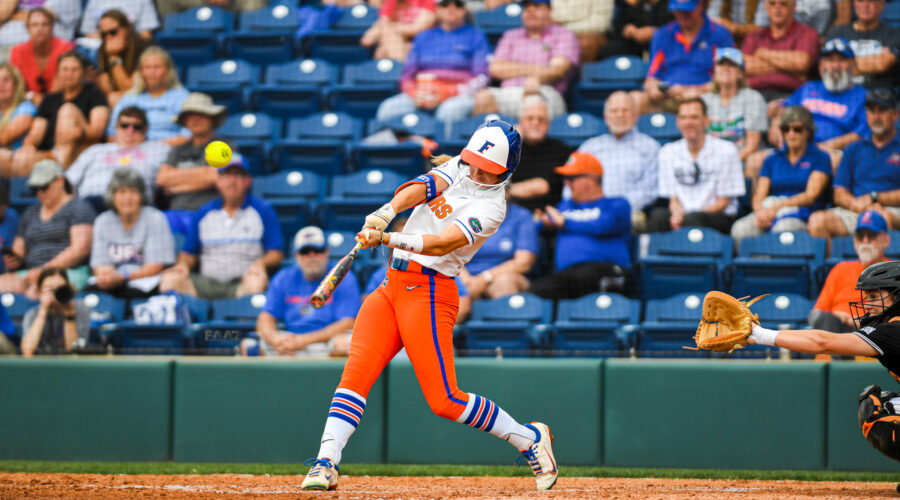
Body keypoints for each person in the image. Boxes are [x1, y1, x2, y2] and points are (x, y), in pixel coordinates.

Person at [299, 120, 558, 492]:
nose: (478, 172)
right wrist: (386, 211)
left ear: (506, 171)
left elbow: (440, 243)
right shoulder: (460, 166)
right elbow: (421, 187)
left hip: (430, 293)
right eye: (474, 163)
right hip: (391, 286)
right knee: (355, 375)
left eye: (489, 170)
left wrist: (387, 236)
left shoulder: (493, 206)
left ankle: (528, 438)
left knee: (445, 400)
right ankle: (326, 462)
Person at [743, 260, 900, 477]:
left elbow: (823, 342)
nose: (868, 304)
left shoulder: (893, 330)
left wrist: (761, 335)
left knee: (876, 410)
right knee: (886, 404)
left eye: (875, 297)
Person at [158, 155, 284, 299]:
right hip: (205, 283)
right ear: (218, 181)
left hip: (243, 281)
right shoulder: (204, 212)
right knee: (171, 279)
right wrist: (183, 265)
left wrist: (261, 263)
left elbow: (276, 253)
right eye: (226, 175)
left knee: (256, 282)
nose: (232, 181)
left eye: (238, 175)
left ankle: (245, 319)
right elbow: (188, 252)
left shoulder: (263, 210)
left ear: (248, 181)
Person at [529, 152, 631, 300]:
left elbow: (604, 225)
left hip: (607, 270)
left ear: (593, 178)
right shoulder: (566, 205)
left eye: (572, 178)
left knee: (583, 279)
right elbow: (542, 224)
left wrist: (565, 223)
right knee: (535, 293)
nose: (566, 183)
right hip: (567, 277)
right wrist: (547, 224)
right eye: (565, 178)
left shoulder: (617, 204)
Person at [808, 88, 900, 245]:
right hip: (856, 209)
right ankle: (830, 269)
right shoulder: (853, 148)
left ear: (895, 115)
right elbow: (839, 192)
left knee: (881, 219)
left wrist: (875, 198)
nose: (876, 116)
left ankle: (886, 269)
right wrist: (855, 204)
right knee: (818, 221)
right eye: (872, 111)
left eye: (882, 110)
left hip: (891, 210)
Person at [375, 0, 490, 125]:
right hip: (422, 92)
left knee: (449, 112)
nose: (451, 8)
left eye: (457, 4)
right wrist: (414, 93)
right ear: (438, 9)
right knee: (388, 109)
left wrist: (451, 92)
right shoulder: (423, 36)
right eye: (445, 4)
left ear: (464, 9)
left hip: (458, 94)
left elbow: (482, 76)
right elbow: (407, 75)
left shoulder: (476, 35)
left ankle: (442, 145)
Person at [251, 226, 361, 357]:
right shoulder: (284, 277)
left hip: (327, 342)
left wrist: (304, 340)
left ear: (327, 251)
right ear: (296, 255)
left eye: (317, 250)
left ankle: (338, 378)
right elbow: (265, 318)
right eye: (305, 252)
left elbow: (348, 323)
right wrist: (276, 339)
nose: (311, 256)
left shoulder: (343, 276)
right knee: (252, 344)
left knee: (344, 343)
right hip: (290, 340)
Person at [730, 106, 831, 242]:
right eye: (786, 129)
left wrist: (779, 206)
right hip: (770, 209)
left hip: (802, 213)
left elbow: (811, 195)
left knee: (782, 229)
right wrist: (760, 213)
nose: (791, 134)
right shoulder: (772, 158)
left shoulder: (820, 157)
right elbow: (759, 195)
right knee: (740, 229)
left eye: (797, 129)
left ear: (808, 131)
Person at [648, 97, 745, 233]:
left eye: (694, 117)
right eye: (683, 118)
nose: (688, 123)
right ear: (677, 122)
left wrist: (688, 216)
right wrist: (677, 214)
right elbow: (673, 198)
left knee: (693, 219)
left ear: (706, 121)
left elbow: (723, 202)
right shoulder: (668, 152)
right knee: (658, 216)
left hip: (717, 217)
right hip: (685, 214)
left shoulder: (726, 150)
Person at [0, 160, 95, 297]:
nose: (40, 193)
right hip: (30, 273)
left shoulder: (78, 207)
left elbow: (80, 249)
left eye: (44, 187)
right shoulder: (30, 213)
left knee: (43, 289)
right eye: (35, 189)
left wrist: (45, 270)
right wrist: (15, 260)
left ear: (60, 181)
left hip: (68, 272)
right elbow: (19, 249)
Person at [471, 0, 580, 120]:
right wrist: (538, 70)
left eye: (537, 6)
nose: (531, 11)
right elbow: (495, 69)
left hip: (545, 92)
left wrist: (536, 77)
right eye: (527, 7)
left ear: (549, 10)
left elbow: (557, 70)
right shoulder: (511, 35)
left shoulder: (564, 34)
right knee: (483, 97)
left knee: (532, 101)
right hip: (509, 93)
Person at [768, 38, 868, 159]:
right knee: (755, 162)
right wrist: (776, 123)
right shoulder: (809, 88)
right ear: (821, 65)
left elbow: (858, 134)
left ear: (853, 65)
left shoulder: (862, 95)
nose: (835, 65)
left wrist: (821, 148)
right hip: (794, 148)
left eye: (842, 60)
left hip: (832, 153)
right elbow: (783, 106)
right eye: (830, 60)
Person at [11, 50, 109, 175]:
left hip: (82, 154)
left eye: (75, 69)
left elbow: (98, 131)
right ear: (58, 72)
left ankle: (58, 170)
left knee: (67, 109)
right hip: (49, 155)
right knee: (10, 158)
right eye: (65, 69)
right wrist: (28, 146)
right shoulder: (50, 99)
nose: (69, 74)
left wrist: (79, 132)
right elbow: (36, 132)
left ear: (84, 72)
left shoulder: (95, 95)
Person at [632, 0, 734, 114]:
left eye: (687, 10)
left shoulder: (720, 34)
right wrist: (664, 89)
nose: (682, 15)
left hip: (707, 99)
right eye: (678, 10)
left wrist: (699, 90)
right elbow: (651, 79)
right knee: (635, 99)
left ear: (701, 5)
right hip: (669, 98)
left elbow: (729, 76)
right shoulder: (662, 34)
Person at [577, 91, 660, 232]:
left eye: (625, 110)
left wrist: (616, 209)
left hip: (629, 213)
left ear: (635, 115)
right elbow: (572, 183)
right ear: (605, 116)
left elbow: (649, 190)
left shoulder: (650, 147)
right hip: (590, 210)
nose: (620, 115)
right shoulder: (589, 147)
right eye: (614, 111)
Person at [87, 168, 175, 298]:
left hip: (146, 281)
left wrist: (123, 277)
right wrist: (106, 276)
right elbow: (99, 263)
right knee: (90, 293)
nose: (127, 198)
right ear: (113, 196)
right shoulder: (103, 221)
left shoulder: (155, 218)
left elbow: (156, 265)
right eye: (122, 192)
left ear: (142, 196)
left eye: (133, 192)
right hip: (114, 281)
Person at [65, 106, 168, 211]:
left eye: (137, 127)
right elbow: (68, 181)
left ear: (146, 129)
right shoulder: (96, 150)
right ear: (116, 126)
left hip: (135, 205)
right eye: (124, 125)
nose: (130, 130)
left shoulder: (158, 149)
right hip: (91, 203)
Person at [155, 92, 229, 235]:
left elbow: (215, 177)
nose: (196, 119)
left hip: (210, 213)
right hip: (175, 214)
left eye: (201, 114)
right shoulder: (177, 149)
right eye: (190, 115)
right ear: (185, 121)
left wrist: (175, 185)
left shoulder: (223, 145)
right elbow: (162, 179)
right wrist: (202, 174)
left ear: (211, 118)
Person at [811, 210, 890, 333]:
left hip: (873, 333)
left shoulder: (894, 271)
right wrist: (837, 316)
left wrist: (863, 321)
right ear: (854, 240)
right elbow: (815, 315)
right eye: (860, 236)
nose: (865, 241)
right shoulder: (840, 269)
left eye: (871, 235)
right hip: (836, 330)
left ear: (885, 240)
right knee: (826, 320)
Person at [107, 47, 190, 146]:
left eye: (157, 67)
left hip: (171, 151)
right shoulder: (129, 98)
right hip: (131, 151)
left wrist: (153, 147)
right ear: (141, 72)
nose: (152, 72)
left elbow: (189, 134)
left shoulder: (181, 96)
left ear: (168, 70)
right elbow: (111, 134)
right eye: (147, 67)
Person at [740, 0, 818, 102]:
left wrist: (762, 53)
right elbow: (743, 67)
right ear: (766, 7)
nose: (777, 7)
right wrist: (790, 69)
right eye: (772, 3)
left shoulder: (806, 33)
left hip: (791, 95)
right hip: (752, 93)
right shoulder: (754, 36)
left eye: (783, 3)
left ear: (793, 7)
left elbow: (802, 63)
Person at [460, 200, 537, 299]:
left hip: (500, 276)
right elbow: (448, 252)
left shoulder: (521, 216)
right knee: (452, 285)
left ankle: (502, 314)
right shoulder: (463, 212)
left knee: (505, 281)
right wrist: (466, 280)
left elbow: (523, 263)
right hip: (466, 276)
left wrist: (485, 278)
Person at [508, 95, 572, 212]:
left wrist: (504, 191)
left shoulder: (560, 150)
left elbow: (541, 187)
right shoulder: (510, 148)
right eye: (530, 118)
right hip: (509, 214)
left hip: (546, 215)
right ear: (520, 122)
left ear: (549, 124)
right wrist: (511, 145)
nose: (535, 123)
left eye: (541, 119)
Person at [701, 48, 767, 162]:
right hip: (709, 160)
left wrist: (729, 164)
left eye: (732, 65)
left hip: (741, 159)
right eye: (721, 64)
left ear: (740, 73)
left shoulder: (753, 98)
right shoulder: (704, 100)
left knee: (755, 160)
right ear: (715, 72)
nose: (725, 68)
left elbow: (751, 145)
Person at [826, 0, 900, 91]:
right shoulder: (837, 33)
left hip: (878, 99)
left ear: (882, 5)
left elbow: (881, 64)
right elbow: (827, 67)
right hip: (843, 95)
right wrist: (873, 62)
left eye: (871, 1)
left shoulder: (894, 35)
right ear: (854, 4)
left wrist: (844, 63)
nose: (865, 5)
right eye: (860, 0)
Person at [8, 7, 74, 104]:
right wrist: (31, 96)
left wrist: (46, 102)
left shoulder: (65, 48)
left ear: (52, 27)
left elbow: (69, 84)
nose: (40, 29)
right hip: (28, 101)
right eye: (34, 25)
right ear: (28, 28)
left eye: (45, 24)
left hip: (61, 100)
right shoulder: (18, 51)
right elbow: (16, 87)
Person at [19, 267, 90, 357]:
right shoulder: (32, 313)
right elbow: (27, 351)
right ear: (40, 292)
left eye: (60, 288)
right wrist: (43, 311)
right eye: (50, 289)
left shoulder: (80, 309)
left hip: (70, 367)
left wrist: (69, 314)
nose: (56, 293)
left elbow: (74, 351)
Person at [95, 9, 154, 108]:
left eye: (113, 32)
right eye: (104, 34)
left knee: (114, 98)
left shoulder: (144, 48)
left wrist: (114, 57)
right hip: (117, 98)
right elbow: (108, 88)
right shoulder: (103, 49)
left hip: (147, 95)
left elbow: (132, 88)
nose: (109, 37)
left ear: (127, 28)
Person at [361, 0, 437, 62]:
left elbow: (418, 28)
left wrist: (392, 26)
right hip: (399, 46)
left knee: (386, 44)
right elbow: (367, 40)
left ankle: (398, 69)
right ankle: (399, 70)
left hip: (422, 45)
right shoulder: (392, 2)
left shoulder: (426, 1)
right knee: (382, 50)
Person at [596, 0, 672, 60]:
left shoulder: (670, 5)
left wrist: (656, 32)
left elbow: (676, 28)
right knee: (608, 50)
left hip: (662, 45)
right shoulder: (634, 4)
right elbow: (618, 27)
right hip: (634, 45)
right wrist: (626, 29)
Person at [0, 1, 81, 54]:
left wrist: (12, 14)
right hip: (7, 43)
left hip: (48, 47)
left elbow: (44, 17)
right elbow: (2, 13)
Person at [0, 63, 36, 176]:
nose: (1, 84)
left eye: (6, 80)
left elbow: (5, 138)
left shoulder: (25, 107)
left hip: (16, 165)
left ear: (16, 85)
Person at [80, 0, 160, 39]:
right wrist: (107, 38)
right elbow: (87, 32)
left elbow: (146, 35)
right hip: (101, 47)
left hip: (132, 46)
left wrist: (123, 40)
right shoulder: (94, 1)